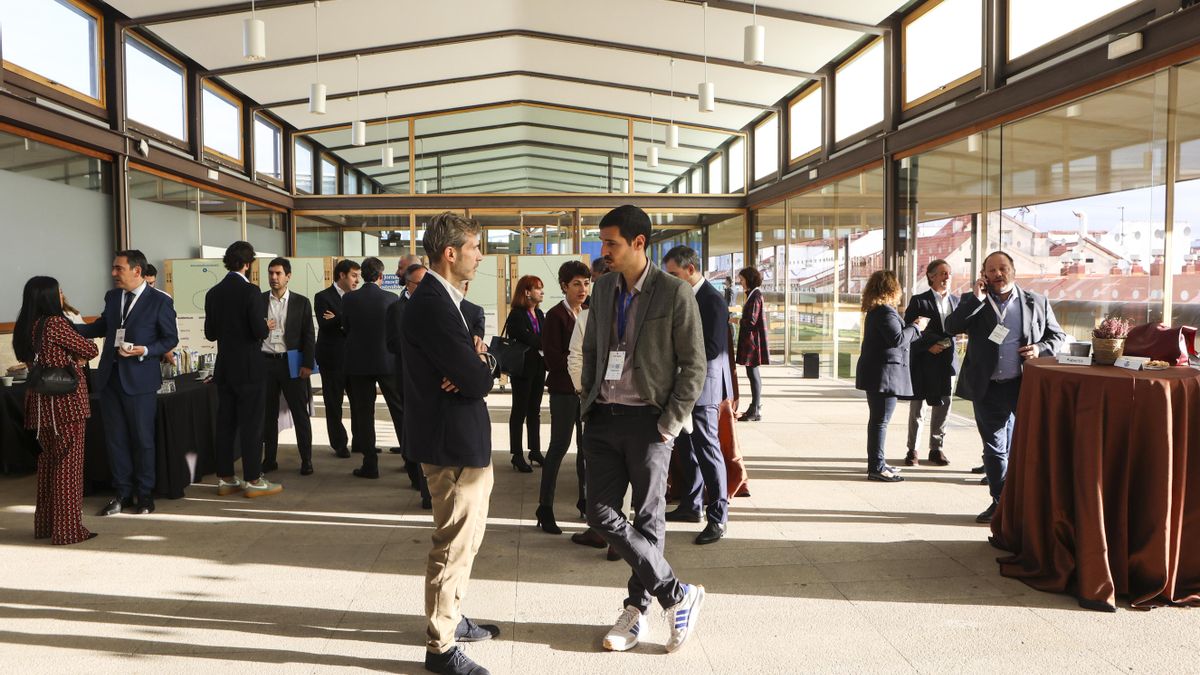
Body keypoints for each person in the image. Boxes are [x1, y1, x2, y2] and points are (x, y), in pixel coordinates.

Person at [581, 204, 706, 654]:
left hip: (649, 422)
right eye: (603, 242)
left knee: (649, 518)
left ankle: (636, 610)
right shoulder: (602, 289)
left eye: (611, 243)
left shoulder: (674, 292)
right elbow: (593, 349)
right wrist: (588, 398)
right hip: (603, 416)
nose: (604, 250)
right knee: (599, 513)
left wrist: (670, 422)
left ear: (639, 243)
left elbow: (694, 365)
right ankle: (677, 593)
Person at [401, 212, 499, 675]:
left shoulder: (447, 300)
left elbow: (478, 368)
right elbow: (475, 381)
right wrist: (478, 366)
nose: (480, 256)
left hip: (462, 439)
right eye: (475, 247)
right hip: (450, 443)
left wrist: (480, 361)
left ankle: (453, 617)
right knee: (452, 546)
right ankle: (440, 648)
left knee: (467, 540)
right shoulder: (433, 305)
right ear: (450, 252)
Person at [945, 250, 1066, 523]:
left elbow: (1057, 336)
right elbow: (951, 327)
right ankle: (1001, 503)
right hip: (986, 388)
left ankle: (1027, 502)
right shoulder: (973, 301)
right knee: (994, 449)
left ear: (1013, 270)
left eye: (1003, 268)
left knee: (1027, 446)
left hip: (1023, 386)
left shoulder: (1036, 302)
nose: (998, 274)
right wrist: (975, 299)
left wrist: (1040, 348)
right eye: (991, 270)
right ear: (984, 275)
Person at [75, 250, 179, 515]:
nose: (113, 273)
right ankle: (122, 493)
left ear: (137, 271)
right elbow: (103, 326)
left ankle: (145, 495)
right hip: (109, 379)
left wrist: (146, 350)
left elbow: (170, 339)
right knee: (116, 440)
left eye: (118, 268)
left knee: (143, 440)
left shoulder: (160, 301)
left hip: (140, 381)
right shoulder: (112, 297)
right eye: (114, 268)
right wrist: (67, 326)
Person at [15, 277, 100, 544]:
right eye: (59, 291)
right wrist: (76, 357)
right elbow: (90, 349)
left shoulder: (24, 325)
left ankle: (45, 526)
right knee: (68, 469)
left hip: (38, 406)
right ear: (49, 297)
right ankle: (68, 531)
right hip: (65, 405)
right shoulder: (55, 324)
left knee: (48, 466)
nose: (62, 295)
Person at [662, 246, 732, 545]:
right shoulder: (683, 296)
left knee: (708, 451)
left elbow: (713, 348)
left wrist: (675, 354)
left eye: (674, 274)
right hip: (683, 386)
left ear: (690, 270)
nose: (670, 280)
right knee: (686, 448)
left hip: (704, 389)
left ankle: (718, 517)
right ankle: (692, 506)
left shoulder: (712, 300)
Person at [204, 241, 282, 498]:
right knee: (252, 424)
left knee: (225, 423)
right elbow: (258, 331)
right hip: (249, 367)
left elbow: (210, 333)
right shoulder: (251, 291)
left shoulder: (213, 293)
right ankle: (253, 479)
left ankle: (226, 478)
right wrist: (265, 326)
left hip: (225, 367)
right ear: (248, 264)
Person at [855, 270, 929, 483]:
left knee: (878, 420)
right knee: (880, 422)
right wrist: (916, 327)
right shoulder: (885, 312)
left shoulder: (876, 311)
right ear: (891, 289)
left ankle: (878, 463)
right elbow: (897, 339)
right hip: (884, 375)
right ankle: (877, 467)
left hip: (879, 374)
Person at [535, 260, 591, 535]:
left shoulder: (590, 312)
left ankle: (585, 501)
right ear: (564, 286)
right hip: (564, 391)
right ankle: (545, 507)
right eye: (576, 284)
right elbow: (553, 359)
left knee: (586, 450)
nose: (582, 289)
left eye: (586, 283)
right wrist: (579, 362)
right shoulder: (555, 316)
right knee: (559, 447)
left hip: (587, 391)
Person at [342, 256, 404, 479]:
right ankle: (411, 461)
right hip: (387, 361)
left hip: (358, 363)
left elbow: (346, 327)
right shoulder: (391, 298)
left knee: (364, 413)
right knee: (398, 410)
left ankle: (370, 464)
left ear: (362, 275)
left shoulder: (349, 299)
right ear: (380, 276)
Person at [260, 257, 317, 476]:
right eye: (271, 273)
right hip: (266, 362)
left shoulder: (301, 302)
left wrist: (307, 364)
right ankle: (269, 459)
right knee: (268, 415)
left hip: (291, 363)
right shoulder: (259, 300)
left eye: (278, 273)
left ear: (288, 276)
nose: (274, 277)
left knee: (300, 413)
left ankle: (307, 460)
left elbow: (308, 335)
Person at [903, 259, 960, 467]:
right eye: (943, 273)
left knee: (944, 406)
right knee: (918, 408)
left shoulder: (957, 302)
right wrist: (928, 346)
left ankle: (936, 449)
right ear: (931, 276)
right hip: (924, 360)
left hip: (947, 362)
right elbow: (909, 329)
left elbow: (957, 331)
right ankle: (912, 449)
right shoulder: (919, 301)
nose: (947, 277)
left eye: (949, 273)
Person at [387, 261, 432, 507]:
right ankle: (416, 475)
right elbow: (393, 343)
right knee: (411, 426)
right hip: (407, 376)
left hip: (431, 379)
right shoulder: (397, 309)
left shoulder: (434, 305)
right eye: (420, 283)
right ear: (409, 284)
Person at [314, 259, 361, 458]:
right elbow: (325, 325)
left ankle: (361, 441)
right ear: (342, 275)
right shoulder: (323, 297)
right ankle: (339, 444)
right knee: (334, 404)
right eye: (354, 276)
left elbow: (360, 326)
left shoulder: (358, 297)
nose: (357, 280)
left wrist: (338, 317)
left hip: (355, 359)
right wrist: (346, 317)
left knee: (359, 403)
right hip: (332, 359)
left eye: (358, 276)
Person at [503, 275, 547, 473]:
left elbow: (542, 336)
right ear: (527, 292)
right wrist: (543, 342)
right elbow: (527, 337)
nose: (542, 292)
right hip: (522, 369)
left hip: (539, 367)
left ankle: (534, 450)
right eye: (538, 288)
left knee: (534, 411)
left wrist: (542, 341)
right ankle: (517, 454)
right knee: (519, 411)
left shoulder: (539, 313)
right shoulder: (517, 315)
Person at [735, 266, 768, 421]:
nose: (740, 282)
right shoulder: (753, 294)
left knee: (753, 374)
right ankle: (755, 407)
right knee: (752, 373)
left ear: (749, 279)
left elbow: (751, 321)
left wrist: (735, 320)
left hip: (753, 341)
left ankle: (755, 409)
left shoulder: (755, 296)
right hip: (752, 340)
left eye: (742, 279)